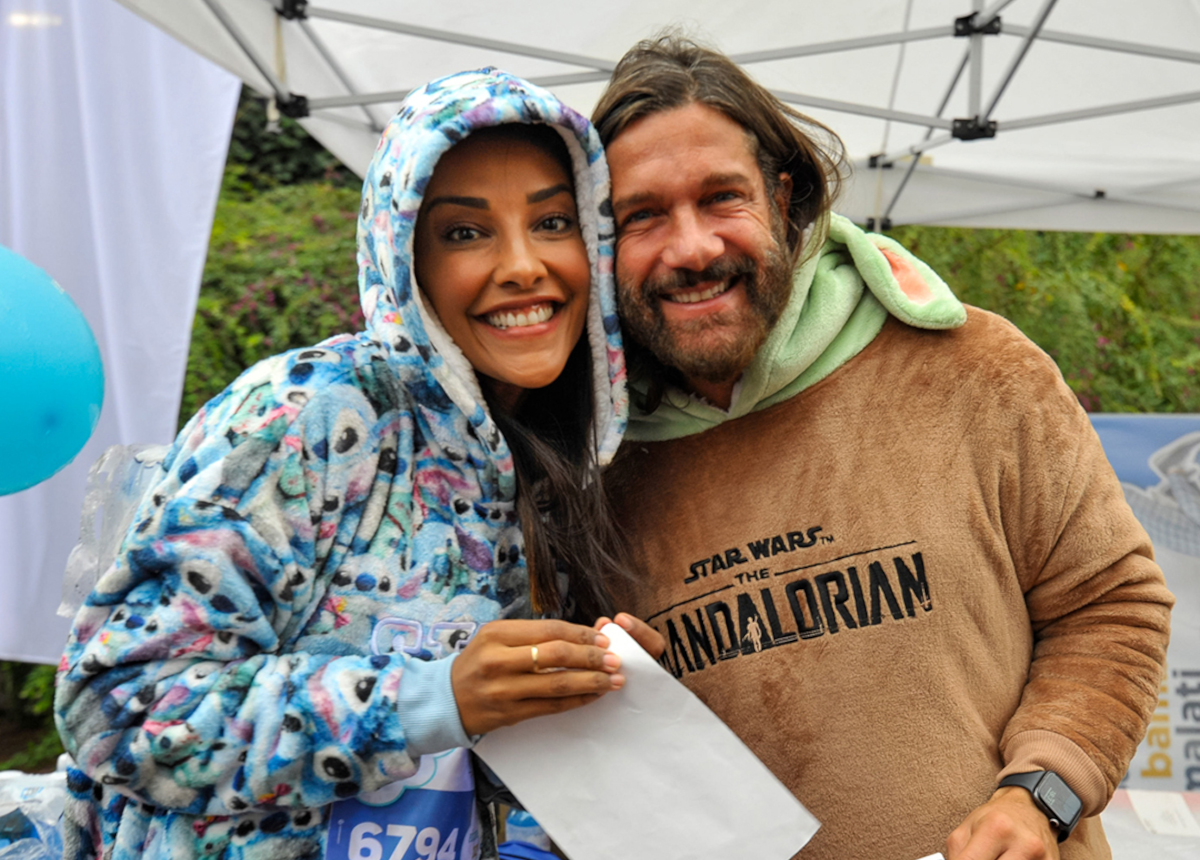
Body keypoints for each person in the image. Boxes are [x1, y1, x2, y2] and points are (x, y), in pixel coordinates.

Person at [54, 68, 659, 860]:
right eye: (465, 232)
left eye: (552, 222)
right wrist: (423, 700)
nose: (522, 265)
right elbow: (118, 707)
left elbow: (474, 773)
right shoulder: (303, 414)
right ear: (401, 254)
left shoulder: (569, 464)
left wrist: (593, 694)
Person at [593, 35, 1174, 860]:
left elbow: (1111, 603)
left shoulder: (976, 371)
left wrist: (1040, 793)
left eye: (722, 198)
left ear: (782, 197)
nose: (691, 249)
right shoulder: (588, 467)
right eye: (642, 215)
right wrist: (608, 701)